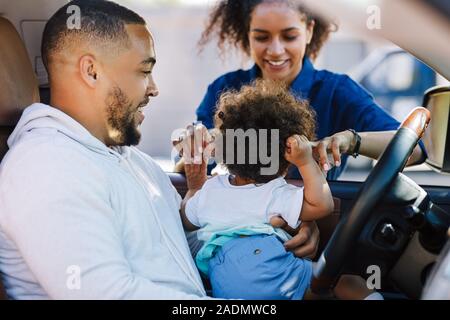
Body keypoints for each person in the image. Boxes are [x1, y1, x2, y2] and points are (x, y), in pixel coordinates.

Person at [0, 0, 316, 299]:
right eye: (143, 71)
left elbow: (179, 251)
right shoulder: (46, 166)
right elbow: (107, 293)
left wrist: (269, 229)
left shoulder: (134, 161)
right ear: (91, 71)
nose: (154, 88)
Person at [179, 80, 382, 300]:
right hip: (276, 273)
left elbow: (186, 218)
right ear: (285, 162)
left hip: (225, 283)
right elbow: (323, 205)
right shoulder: (275, 193)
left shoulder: (210, 190)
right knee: (348, 282)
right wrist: (305, 162)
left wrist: (194, 186)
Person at [180, 0, 426, 180]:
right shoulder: (223, 89)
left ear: (308, 31)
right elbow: (185, 171)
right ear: (247, 34)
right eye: (262, 37)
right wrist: (199, 144)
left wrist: (349, 140)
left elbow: (413, 149)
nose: (275, 50)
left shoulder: (336, 91)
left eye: (289, 37)